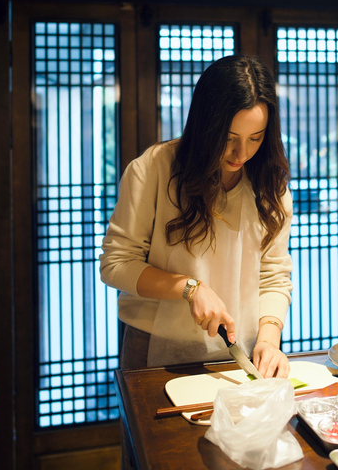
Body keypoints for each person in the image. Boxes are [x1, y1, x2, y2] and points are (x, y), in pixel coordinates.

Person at [100, 54, 293, 377]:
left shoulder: (269, 184)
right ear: (206, 126)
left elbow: (274, 274)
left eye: (255, 139)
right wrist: (190, 288)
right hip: (154, 346)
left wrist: (269, 340)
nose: (241, 154)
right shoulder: (153, 170)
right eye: (229, 139)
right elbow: (116, 264)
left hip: (240, 348)